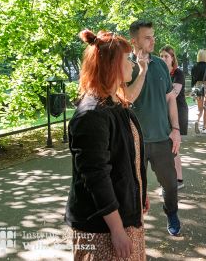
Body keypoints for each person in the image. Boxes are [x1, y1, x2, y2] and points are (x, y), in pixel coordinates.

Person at [65, 30, 149, 260]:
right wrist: (116, 229)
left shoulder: (115, 103)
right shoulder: (91, 115)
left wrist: (139, 190)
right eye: (127, 59)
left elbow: (128, 155)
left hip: (124, 217)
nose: (132, 64)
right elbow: (96, 176)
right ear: (113, 65)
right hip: (102, 229)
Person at [125, 20, 182, 236]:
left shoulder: (160, 64)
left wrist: (175, 129)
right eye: (147, 37)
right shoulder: (125, 66)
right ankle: (134, 223)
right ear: (134, 41)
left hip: (161, 138)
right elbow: (124, 99)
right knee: (133, 185)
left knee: (170, 184)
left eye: (153, 36)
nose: (153, 40)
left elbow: (170, 99)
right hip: (134, 140)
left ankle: (172, 213)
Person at [160, 45, 188, 190]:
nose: (164, 58)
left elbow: (173, 95)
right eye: (162, 56)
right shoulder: (160, 72)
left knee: (173, 147)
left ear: (172, 58)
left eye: (167, 56)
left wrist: (155, 102)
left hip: (178, 112)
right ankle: (175, 179)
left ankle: (178, 180)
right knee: (169, 147)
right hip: (165, 113)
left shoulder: (178, 73)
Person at [191, 49, 206, 134]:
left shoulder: (194, 67)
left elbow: (193, 81)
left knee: (199, 109)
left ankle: (197, 121)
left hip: (197, 88)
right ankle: (204, 127)